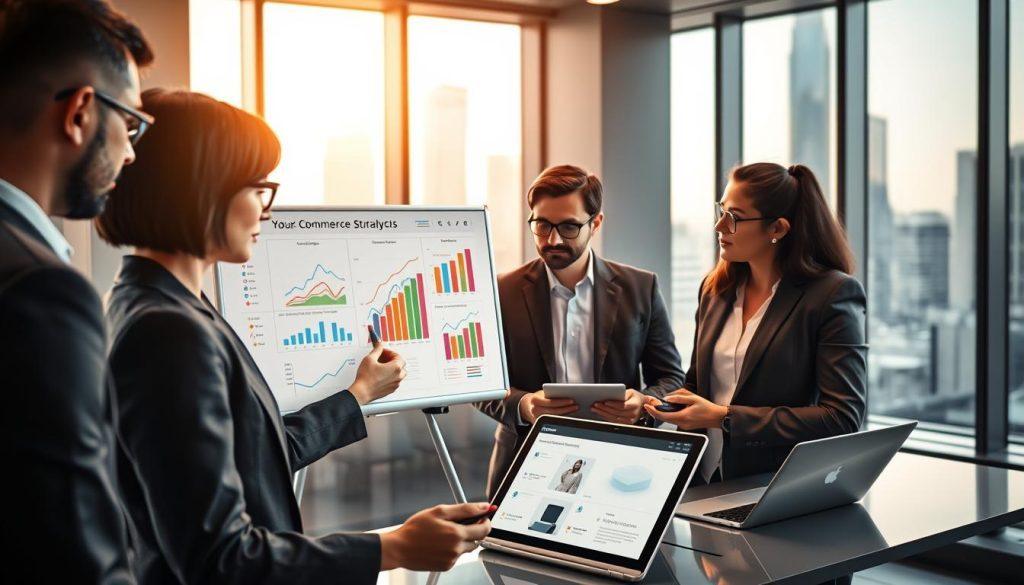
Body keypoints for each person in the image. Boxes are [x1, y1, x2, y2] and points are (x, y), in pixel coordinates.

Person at [96, 89, 490, 584]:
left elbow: (257, 453)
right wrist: (392, 547)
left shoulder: (163, 304)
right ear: (201, 189)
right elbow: (220, 559)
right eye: (258, 188)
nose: (267, 210)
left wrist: (357, 394)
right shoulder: (167, 333)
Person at [0, 1, 153, 582]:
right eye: (132, 124)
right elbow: (78, 555)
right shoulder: (40, 291)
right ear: (81, 113)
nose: (132, 151)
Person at [643, 162, 867, 485]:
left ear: (777, 229)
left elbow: (842, 417)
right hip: (701, 483)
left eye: (733, 217)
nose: (719, 226)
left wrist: (724, 418)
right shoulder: (715, 289)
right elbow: (697, 386)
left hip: (774, 490)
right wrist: (652, 404)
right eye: (721, 210)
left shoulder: (832, 295)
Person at [476, 165, 685, 497]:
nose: (553, 239)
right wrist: (524, 405)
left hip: (618, 465)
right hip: (522, 463)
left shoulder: (640, 287)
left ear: (596, 223)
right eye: (542, 225)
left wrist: (644, 403)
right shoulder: (501, 291)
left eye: (570, 227)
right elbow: (481, 383)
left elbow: (672, 376)